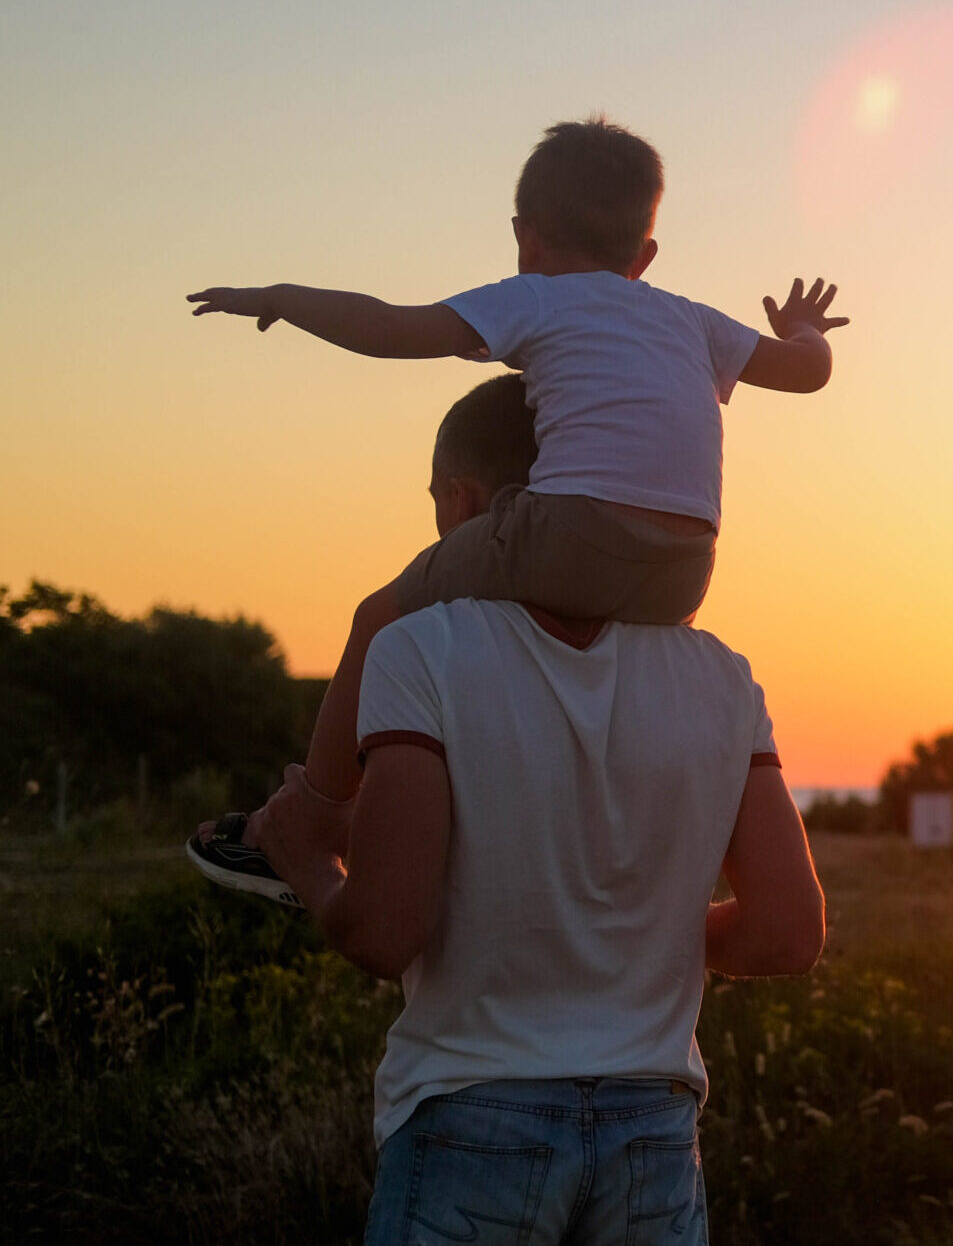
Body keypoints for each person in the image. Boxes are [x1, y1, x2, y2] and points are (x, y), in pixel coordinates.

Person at [183, 117, 847, 893]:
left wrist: (284, 298)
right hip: (685, 571)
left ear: (525, 236)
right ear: (644, 256)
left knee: (377, 616)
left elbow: (393, 328)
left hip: (566, 533)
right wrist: (802, 325)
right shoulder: (691, 318)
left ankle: (312, 819)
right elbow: (808, 372)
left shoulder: (537, 299)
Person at [248, 373, 826, 1242]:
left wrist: (304, 860)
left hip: (470, 1124)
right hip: (655, 1143)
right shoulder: (720, 675)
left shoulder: (420, 649)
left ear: (460, 498)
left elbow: (383, 930)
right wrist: (630, 931)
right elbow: (788, 930)